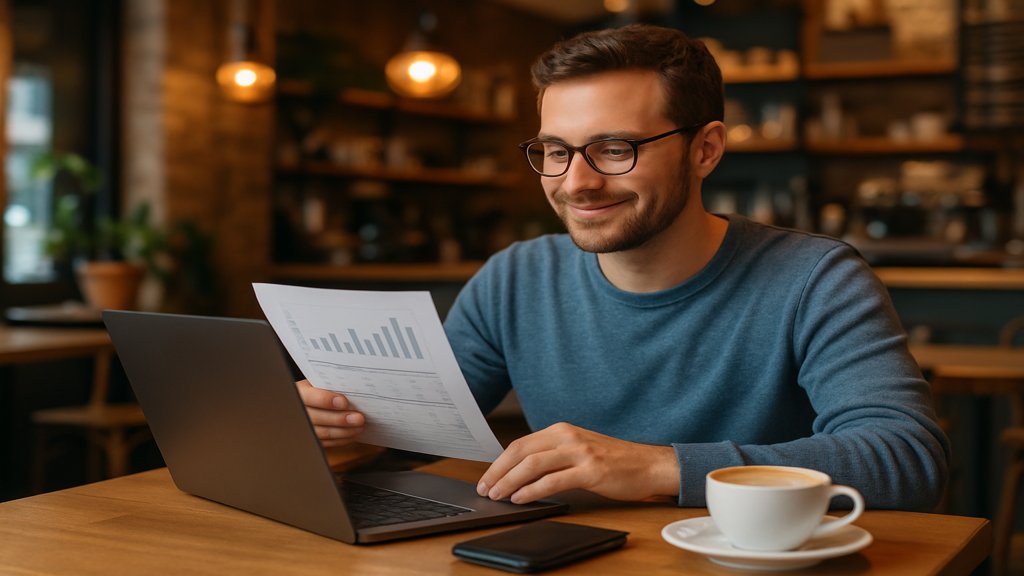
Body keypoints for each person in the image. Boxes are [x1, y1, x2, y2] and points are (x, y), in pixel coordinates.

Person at [299, 23, 949, 511]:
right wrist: (339, 427)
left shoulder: (815, 278)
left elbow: (908, 458)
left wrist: (663, 468)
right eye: (555, 150)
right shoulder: (514, 278)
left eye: (613, 149)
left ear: (706, 150)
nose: (575, 182)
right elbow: (416, 431)